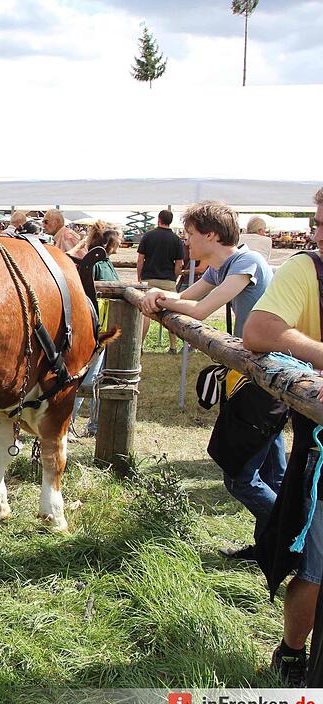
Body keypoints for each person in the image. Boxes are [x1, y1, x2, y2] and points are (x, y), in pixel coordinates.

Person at [141, 200, 279, 549]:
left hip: (271, 375)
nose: (185, 241)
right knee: (272, 474)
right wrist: (163, 296)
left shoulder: (247, 262)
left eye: (189, 234)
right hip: (258, 374)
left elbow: (201, 309)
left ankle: (293, 534)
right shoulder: (223, 267)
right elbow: (185, 297)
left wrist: (159, 297)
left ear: (211, 235)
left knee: (241, 478)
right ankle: (274, 547)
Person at [242, 186, 323, 688]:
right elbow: (260, 330)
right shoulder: (306, 269)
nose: (318, 227)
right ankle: (292, 653)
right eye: (319, 217)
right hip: (321, 443)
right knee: (316, 563)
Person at [70, 223, 122, 438]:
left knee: (97, 377)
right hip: (97, 326)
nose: (121, 241)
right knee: (88, 378)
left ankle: (93, 425)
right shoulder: (97, 264)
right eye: (119, 238)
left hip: (104, 325)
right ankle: (69, 423)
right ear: (111, 241)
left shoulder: (105, 262)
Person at [137, 209, 184, 352]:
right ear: (171, 221)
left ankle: (140, 345)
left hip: (149, 278)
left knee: (146, 313)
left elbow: (140, 260)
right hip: (168, 280)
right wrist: (174, 278)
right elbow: (179, 264)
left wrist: (140, 276)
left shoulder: (148, 236)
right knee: (173, 313)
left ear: (159, 219)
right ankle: (173, 346)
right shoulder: (176, 239)